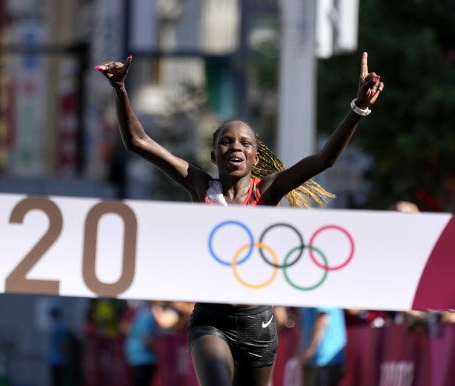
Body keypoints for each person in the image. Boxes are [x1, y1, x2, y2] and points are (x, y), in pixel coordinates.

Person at [95, 52, 383, 386]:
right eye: (226, 142)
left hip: (258, 322)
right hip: (210, 320)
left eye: (245, 143)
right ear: (214, 153)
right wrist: (119, 89)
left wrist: (358, 108)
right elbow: (138, 142)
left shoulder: (270, 190)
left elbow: (324, 159)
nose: (236, 147)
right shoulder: (200, 184)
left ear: (255, 157)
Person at [298, 307, 347, 386]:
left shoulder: (318, 296)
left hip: (326, 360)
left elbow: (323, 318)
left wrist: (309, 351)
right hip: (318, 359)